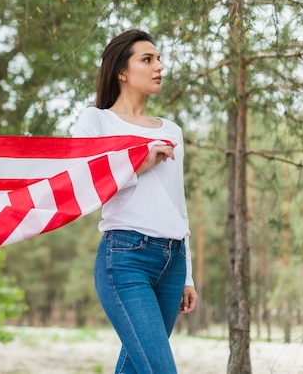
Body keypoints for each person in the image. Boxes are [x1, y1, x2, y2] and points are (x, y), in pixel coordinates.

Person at [73, 29, 199, 373]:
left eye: (159, 59)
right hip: (126, 258)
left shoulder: (170, 130)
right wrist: (138, 165)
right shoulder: (96, 120)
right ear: (122, 71)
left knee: (135, 368)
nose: (159, 66)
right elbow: (81, 186)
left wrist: (188, 274)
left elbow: (179, 203)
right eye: (148, 59)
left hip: (173, 261)